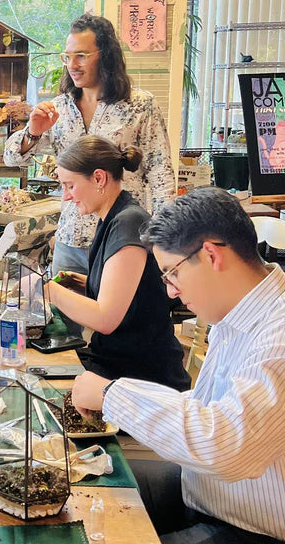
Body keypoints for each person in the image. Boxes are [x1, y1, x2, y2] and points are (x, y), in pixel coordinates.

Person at [71, 187, 285, 544]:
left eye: (172, 273)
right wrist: (116, 399)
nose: (170, 291)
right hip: (215, 496)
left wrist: (112, 395)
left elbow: (226, 446)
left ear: (211, 255)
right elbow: (208, 412)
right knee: (90, 483)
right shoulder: (239, 312)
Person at [4, 13, 175, 277]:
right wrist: (33, 132)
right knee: (63, 305)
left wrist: (163, 243)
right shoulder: (58, 108)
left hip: (122, 240)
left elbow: (161, 174)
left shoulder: (140, 105)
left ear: (106, 56)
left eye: (81, 56)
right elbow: (12, 158)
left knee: (116, 306)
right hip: (70, 241)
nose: (72, 65)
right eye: (67, 56)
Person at [44, 136, 189, 390]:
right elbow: (135, 294)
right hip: (120, 361)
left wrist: (48, 290)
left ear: (99, 178)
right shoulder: (113, 218)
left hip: (140, 377)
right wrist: (83, 283)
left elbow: (106, 319)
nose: (66, 197)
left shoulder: (128, 223)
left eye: (70, 186)